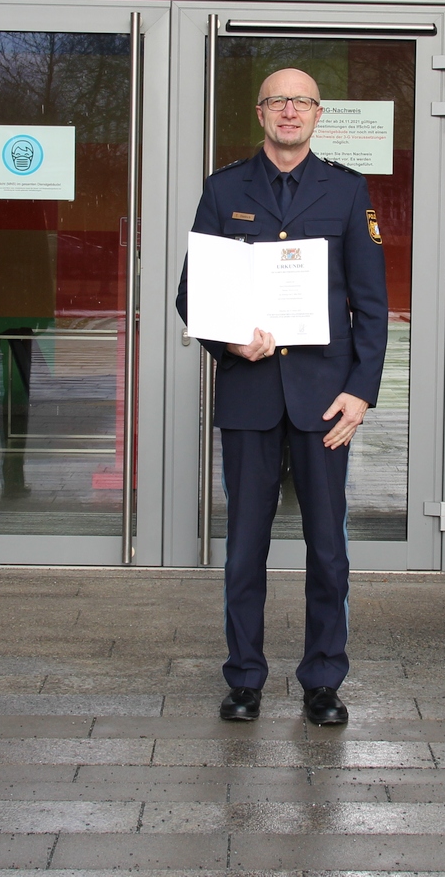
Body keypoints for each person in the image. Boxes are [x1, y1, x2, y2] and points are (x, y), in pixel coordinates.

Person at [176, 68, 388, 727]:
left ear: (318, 114)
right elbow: (192, 295)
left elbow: (373, 307)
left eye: (301, 102)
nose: (289, 111)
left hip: (325, 401)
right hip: (250, 395)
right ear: (260, 112)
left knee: (328, 547)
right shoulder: (224, 189)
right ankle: (245, 677)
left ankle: (323, 678)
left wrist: (361, 393)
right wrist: (231, 342)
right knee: (245, 546)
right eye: (277, 101)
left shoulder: (348, 193)